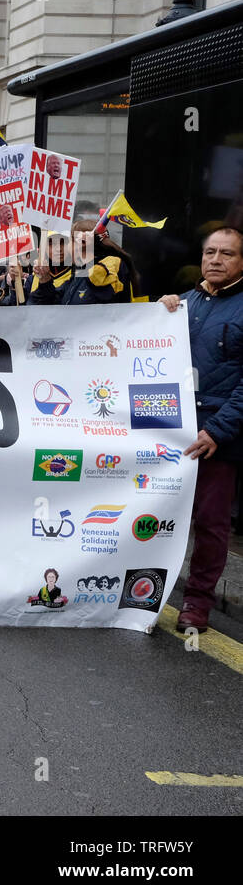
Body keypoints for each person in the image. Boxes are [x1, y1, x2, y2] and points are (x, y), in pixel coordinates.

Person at [157, 227, 243, 633]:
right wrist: (156, 316)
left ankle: (197, 603)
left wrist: (217, 430)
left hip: (217, 441)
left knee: (210, 525)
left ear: (241, 261)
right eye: (210, 252)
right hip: (170, 432)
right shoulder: (182, 305)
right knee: (156, 515)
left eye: (227, 253)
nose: (216, 260)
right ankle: (145, 592)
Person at [28, 218, 135, 305]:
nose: (62, 248)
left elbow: (103, 290)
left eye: (67, 242)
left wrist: (85, 255)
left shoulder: (113, 262)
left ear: (81, 244)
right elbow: (51, 303)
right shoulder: (78, 274)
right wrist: (45, 279)